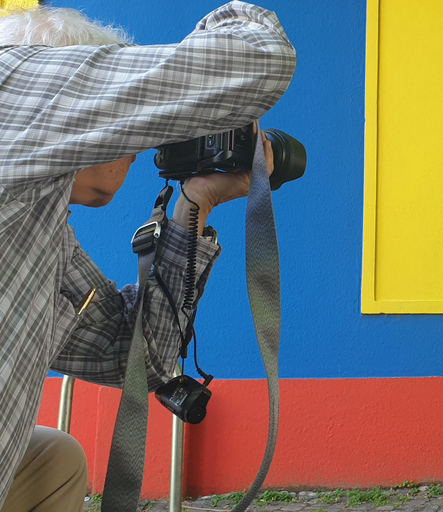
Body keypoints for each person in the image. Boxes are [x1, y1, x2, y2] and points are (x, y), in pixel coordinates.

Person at [0, 2, 295, 511]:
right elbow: (259, 59)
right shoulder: (12, 87)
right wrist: (232, 21)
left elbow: (134, 353)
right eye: (117, 109)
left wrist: (193, 204)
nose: (136, 139)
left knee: (52, 459)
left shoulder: (43, 232)